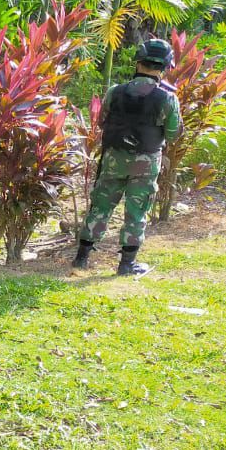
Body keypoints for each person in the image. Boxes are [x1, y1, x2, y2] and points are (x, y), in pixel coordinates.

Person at [73, 38, 182, 276]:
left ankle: (81, 258)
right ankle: (126, 264)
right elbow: (173, 134)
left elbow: (102, 121)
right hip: (145, 163)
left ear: (139, 61)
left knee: (100, 207)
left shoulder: (115, 91)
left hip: (114, 159)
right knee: (136, 212)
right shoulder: (167, 98)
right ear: (164, 67)